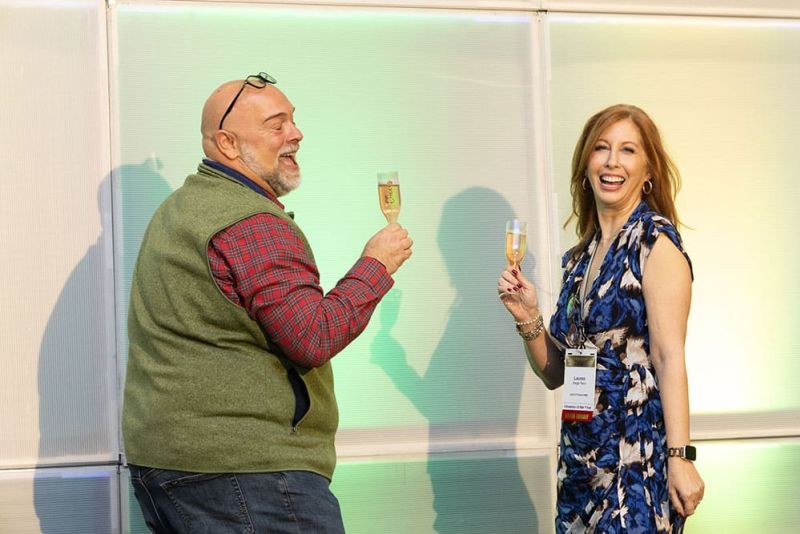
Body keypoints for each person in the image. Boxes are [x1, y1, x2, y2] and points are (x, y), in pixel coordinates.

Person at [122, 72, 413, 533]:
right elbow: (312, 337)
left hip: (172, 465)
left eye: (293, 120)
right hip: (250, 474)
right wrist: (376, 265)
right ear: (228, 143)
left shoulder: (179, 208)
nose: (296, 133)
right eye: (277, 125)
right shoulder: (250, 222)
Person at [498, 104, 704, 532]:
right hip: (580, 464)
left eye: (628, 150)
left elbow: (669, 357)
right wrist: (528, 317)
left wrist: (681, 457)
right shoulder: (580, 258)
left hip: (635, 464)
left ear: (648, 170)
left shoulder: (655, 243)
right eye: (601, 148)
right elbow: (558, 373)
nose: (612, 162)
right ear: (586, 164)